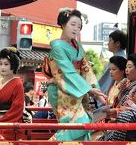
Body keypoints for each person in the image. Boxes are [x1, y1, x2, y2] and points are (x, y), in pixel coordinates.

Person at [42, 8, 106, 141]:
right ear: (63, 24)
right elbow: (67, 71)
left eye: (79, 26)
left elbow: (86, 69)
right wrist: (89, 89)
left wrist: (97, 91)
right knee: (75, 125)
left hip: (77, 89)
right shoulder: (57, 47)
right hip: (61, 89)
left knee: (83, 125)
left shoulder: (77, 45)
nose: (76, 29)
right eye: (73, 24)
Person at [0, 47, 24, 140]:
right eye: (0, 64)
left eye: (6, 64)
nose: (2, 67)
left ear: (13, 65)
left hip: (9, 126)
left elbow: (17, 109)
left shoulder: (18, 84)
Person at [98, 30, 127, 96]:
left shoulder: (118, 59)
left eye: (110, 40)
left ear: (117, 43)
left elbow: (106, 82)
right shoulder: (122, 57)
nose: (108, 43)